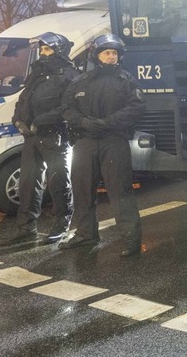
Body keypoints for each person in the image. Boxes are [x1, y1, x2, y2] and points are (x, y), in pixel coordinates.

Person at [60, 34, 145, 256]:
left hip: (113, 141)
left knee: (120, 191)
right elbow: (67, 108)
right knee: (82, 190)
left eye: (114, 53)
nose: (110, 57)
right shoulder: (80, 80)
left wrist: (106, 123)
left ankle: (131, 239)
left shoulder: (127, 81)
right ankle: (85, 235)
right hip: (85, 141)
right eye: (106, 52)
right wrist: (83, 122)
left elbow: (135, 108)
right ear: (96, 55)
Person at [5, 32, 80, 244]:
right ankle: (26, 227)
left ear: (59, 50)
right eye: (42, 50)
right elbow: (23, 99)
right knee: (28, 183)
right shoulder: (37, 73)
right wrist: (18, 120)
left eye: (47, 49)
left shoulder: (69, 75)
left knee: (58, 182)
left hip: (55, 135)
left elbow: (67, 107)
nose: (43, 53)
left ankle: (61, 224)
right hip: (32, 136)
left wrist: (42, 121)